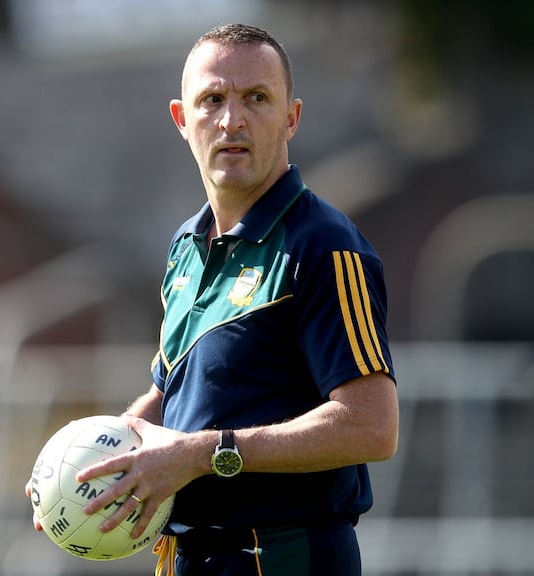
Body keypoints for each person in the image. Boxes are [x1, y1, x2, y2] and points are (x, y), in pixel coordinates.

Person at [27, 23, 398, 575]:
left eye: (256, 98)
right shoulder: (185, 247)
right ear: (182, 119)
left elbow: (371, 426)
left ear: (291, 117)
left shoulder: (323, 246)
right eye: (213, 100)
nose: (232, 120)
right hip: (188, 556)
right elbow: (168, 390)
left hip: (283, 555)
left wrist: (203, 453)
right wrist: (86, 459)